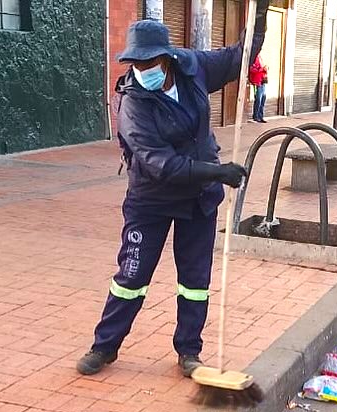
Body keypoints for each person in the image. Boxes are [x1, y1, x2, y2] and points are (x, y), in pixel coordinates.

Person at [76, 7, 270, 378]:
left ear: (166, 58)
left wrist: (259, 18)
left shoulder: (193, 67)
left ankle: (188, 351)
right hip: (152, 199)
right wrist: (218, 171)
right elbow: (159, 164)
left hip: (199, 199)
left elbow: (237, 58)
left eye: (149, 61)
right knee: (132, 276)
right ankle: (104, 346)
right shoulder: (133, 102)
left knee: (195, 280)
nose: (142, 68)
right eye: (135, 62)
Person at [249, 55, 268, 122]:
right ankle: (256, 116)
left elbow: (263, 68)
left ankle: (261, 116)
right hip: (257, 81)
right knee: (258, 100)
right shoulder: (253, 58)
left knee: (263, 99)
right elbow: (251, 69)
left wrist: (266, 68)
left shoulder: (260, 57)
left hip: (262, 80)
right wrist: (261, 69)